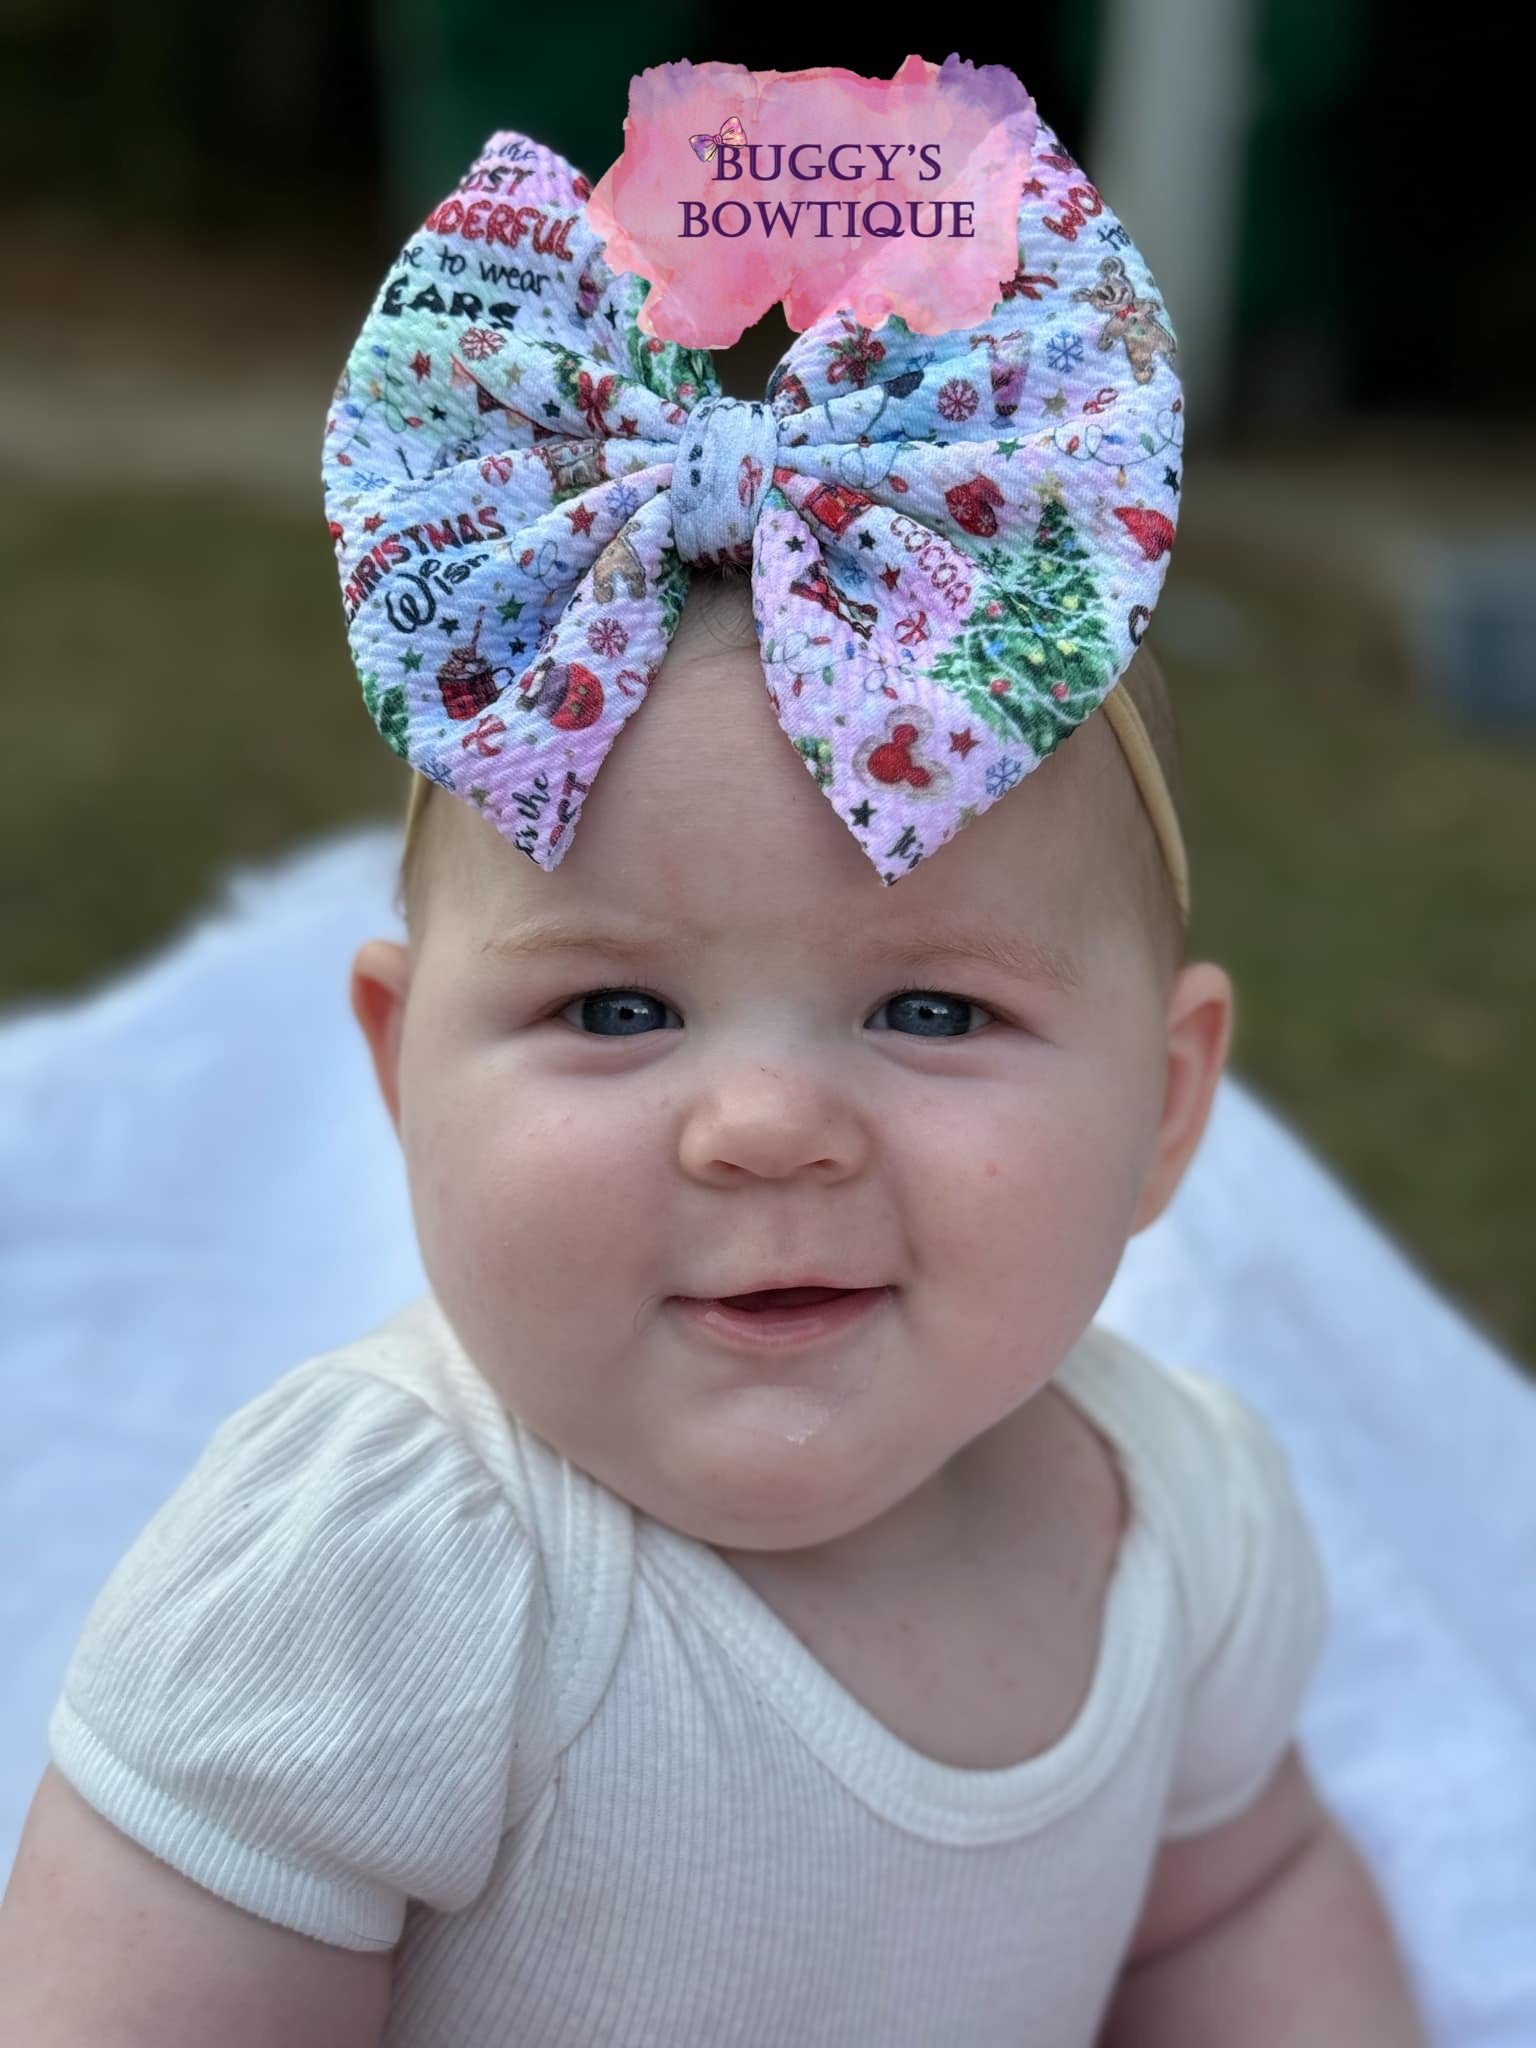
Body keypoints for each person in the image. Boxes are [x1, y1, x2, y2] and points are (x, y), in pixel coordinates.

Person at [0, 98, 1430, 2047]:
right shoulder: (392, 1569)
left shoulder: (1178, 1517)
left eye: (933, 1012)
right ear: (403, 1064)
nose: (765, 1125)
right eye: (614, 1009)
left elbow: (1238, 1902)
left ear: (1167, 1107)